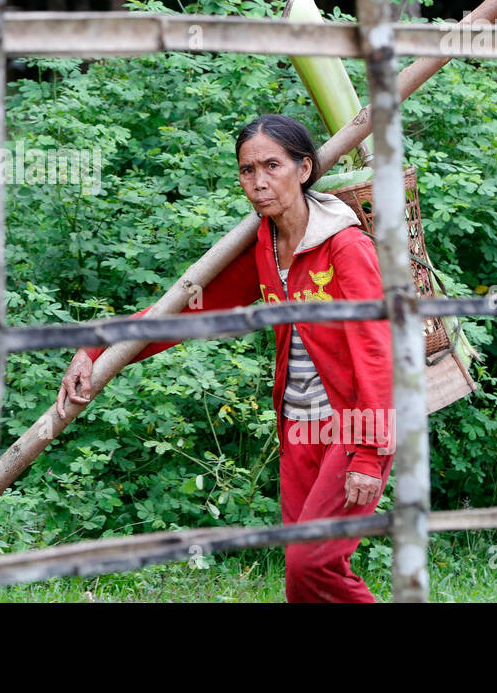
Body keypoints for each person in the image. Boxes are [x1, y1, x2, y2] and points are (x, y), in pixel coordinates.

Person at [56, 113, 396, 602]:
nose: (258, 183)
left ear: (304, 169)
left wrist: (369, 450)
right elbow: (183, 313)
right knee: (303, 580)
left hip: (353, 427)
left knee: (312, 562)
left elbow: (376, 351)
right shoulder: (265, 245)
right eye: (247, 170)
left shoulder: (345, 247)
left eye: (272, 166)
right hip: (299, 427)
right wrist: (94, 346)